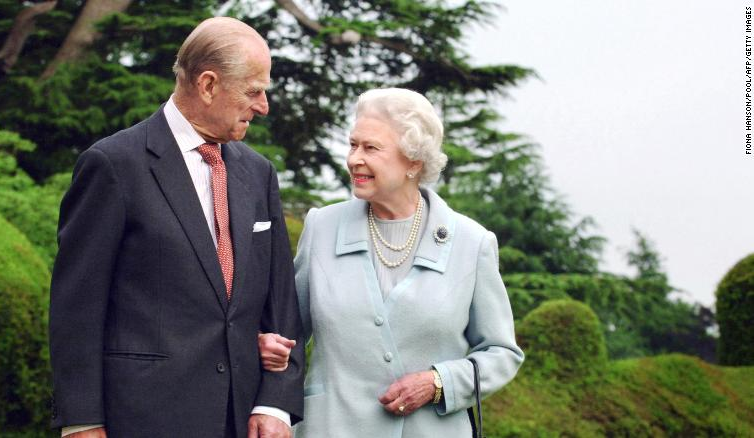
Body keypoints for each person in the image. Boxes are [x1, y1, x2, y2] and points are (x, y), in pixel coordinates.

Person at [49, 17, 304, 438]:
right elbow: (76, 308)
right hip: (143, 418)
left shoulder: (259, 174)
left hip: (243, 420)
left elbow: (281, 304)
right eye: (254, 91)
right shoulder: (113, 165)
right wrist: (82, 422)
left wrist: (275, 401)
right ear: (207, 85)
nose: (263, 106)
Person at [259, 88, 524, 437]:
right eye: (353, 145)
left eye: (371, 148)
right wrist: (266, 343)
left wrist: (439, 382)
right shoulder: (322, 228)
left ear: (414, 161)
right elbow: (287, 330)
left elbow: (501, 352)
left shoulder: (472, 243)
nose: (354, 159)